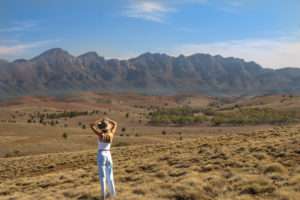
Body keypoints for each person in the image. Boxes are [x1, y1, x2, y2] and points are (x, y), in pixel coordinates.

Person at [90, 117, 117, 200]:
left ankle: (103, 196)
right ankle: (113, 195)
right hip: (108, 154)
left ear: (102, 127)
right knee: (110, 176)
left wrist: (100, 121)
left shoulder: (100, 135)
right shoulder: (111, 134)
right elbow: (115, 124)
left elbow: (91, 125)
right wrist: (108, 120)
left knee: (102, 176)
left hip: (101, 154)